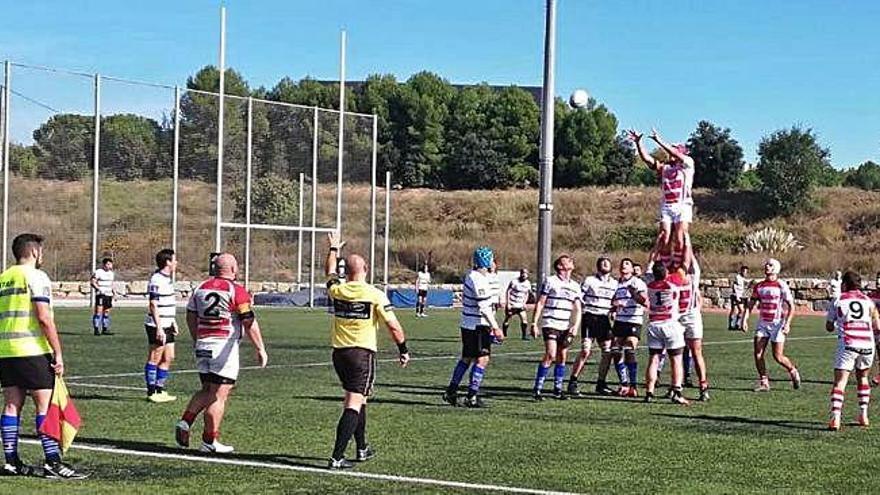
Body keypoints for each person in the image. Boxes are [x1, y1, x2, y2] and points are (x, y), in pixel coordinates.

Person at [0, 233, 86, 478]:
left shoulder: (3, 278)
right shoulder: (37, 277)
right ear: (35, 252)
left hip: (6, 351)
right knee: (45, 407)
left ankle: (12, 461)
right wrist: (58, 353)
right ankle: (52, 462)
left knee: (11, 405)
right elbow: (44, 317)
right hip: (33, 350)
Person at [325, 233, 409, 469]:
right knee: (353, 401)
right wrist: (403, 349)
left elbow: (329, 273)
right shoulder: (374, 294)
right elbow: (393, 325)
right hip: (361, 354)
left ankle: (362, 448)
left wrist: (333, 249)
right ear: (366, 269)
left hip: (339, 353)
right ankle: (337, 457)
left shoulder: (338, 290)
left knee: (359, 399)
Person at [175, 253, 268, 454]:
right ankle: (210, 441)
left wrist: (196, 338)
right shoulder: (236, 290)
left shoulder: (200, 288)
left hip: (203, 344)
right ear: (234, 269)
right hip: (223, 347)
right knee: (218, 395)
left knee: (207, 389)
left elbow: (191, 316)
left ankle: (185, 422)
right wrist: (260, 348)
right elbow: (248, 321)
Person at [443, 247, 503, 408]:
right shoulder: (477, 279)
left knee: (467, 358)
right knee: (482, 359)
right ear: (486, 260)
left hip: (470, 324)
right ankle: (472, 395)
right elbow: (483, 307)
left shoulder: (478, 276)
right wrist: (496, 328)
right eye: (490, 258)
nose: (492, 261)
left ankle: (452, 390)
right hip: (477, 325)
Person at [628, 128, 695, 265]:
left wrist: (658, 140)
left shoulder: (688, 164)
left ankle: (677, 266)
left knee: (680, 238)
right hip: (667, 206)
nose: (670, 153)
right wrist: (638, 143)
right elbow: (647, 159)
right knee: (664, 236)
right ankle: (665, 266)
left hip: (683, 205)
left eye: (675, 149)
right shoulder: (665, 168)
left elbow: (673, 152)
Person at [825, 271, 880, 430]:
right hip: (867, 344)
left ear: (844, 284)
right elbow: (877, 326)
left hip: (848, 343)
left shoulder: (838, 299)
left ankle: (836, 418)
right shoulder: (868, 301)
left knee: (840, 381)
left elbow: (829, 327)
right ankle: (863, 414)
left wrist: (838, 323)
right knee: (862, 378)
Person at [742, 258, 801, 392]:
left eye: (770, 265)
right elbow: (751, 304)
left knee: (778, 356)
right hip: (763, 324)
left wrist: (787, 324)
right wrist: (744, 319)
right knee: (758, 353)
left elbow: (791, 306)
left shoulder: (781, 285)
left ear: (775, 268)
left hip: (777, 325)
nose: (766, 267)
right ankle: (764, 382)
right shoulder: (759, 286)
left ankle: (792, 370)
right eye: (766, 265)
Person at [530, 254, 582, 401]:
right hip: (551, 323)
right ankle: (538, 389)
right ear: (559, 266)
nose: (570, 260)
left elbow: (578, 308)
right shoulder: (551, 281)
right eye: (566, 259)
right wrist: (534, 323)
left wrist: (575, 325)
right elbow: (541, 302)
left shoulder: (575, 285)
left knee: (562, 356)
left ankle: (558, 389)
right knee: (551, 354)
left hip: (565, 325)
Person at [568, 257, 616, 397]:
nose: (606, 264)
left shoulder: (614, 283)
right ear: (598, 266)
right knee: (585, 351)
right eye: (603, 262)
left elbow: (614, 300)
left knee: (607, 352)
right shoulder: (590, 281)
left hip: (603, 320)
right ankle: (573, 381)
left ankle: (601, 383)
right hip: (590, 317)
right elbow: (579, 298)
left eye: (608, 262)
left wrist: (614, 309)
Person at [643, 263, 689, 405]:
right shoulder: (672, 283)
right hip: (670, 324)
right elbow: (683, 270)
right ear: (666, 273)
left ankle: (649, 392)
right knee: (676, 360)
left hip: (654, 324)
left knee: (653, 359)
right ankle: (677, 392)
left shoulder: (649, 286)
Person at [668, 253, 710, 401]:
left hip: (691, 317)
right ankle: (676, 386)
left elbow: (695, 267)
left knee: (696, 351)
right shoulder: (670, 280)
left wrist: (688, 247)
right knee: (675, 354)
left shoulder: (692, 278)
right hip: (676, 318)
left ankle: (703, 386)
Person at [607, 258, 648, 397]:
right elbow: (613, 302)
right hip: (619, 321)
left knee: (630, 348)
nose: (623, 266)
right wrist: (614, 305)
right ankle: (624, 384)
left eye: (627, 264)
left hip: (633, 321)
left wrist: (634, 294)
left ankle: (633, 386)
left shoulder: (637, 282)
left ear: (632, 269)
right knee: (615, 351)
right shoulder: (616, 284)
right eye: (622, 264)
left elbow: (645, 301)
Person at [144, 248, 179, 403]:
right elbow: (153, 304)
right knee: (155, 356)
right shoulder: (156, 279)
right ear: (167, 262)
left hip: (168, 323)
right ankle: (151, 392)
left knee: (169, 356)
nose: (176, 262)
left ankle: (160, 389)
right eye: (174, 259)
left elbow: (168, 302)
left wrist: (173, 321)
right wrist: (159, 327)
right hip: (157, 324)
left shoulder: (168, 279)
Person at [502, 268, 532, 340]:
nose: (524, 275)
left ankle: (524, 336)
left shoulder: (528, 283)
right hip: (512, 304)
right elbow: (508, 292)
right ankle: (504, 333)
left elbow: (527, 293)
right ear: (520, 274)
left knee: (524, 319)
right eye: (523, 273)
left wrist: (524, 303)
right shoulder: (514, 282)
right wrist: (508, 303)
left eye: (526, 274)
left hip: (520, 305)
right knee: (507, 319)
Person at [90, 257, 115, 336]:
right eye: (108, 264)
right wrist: (99, 289)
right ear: (104, 265)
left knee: (106, 312)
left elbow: (111, 284)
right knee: (98, 312)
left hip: (109, 295)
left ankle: (105, 329)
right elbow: (93, 282)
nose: (110, 265)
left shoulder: (111, 273)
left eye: (110, 264)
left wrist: (114, 292)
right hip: (101, 295)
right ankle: (96, 329)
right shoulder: (98, 272)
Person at [729, 265, 749, 331]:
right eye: (744, 271)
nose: (745, 273)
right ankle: (732, 325)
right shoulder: (737, 277)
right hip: (735, 295)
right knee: (737, 310)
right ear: (741, 271)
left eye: (746, 272)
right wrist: (737, 296)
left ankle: (736, 324)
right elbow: (734, 286)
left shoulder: (744, 278)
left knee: (739, 310)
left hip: (740, 296)